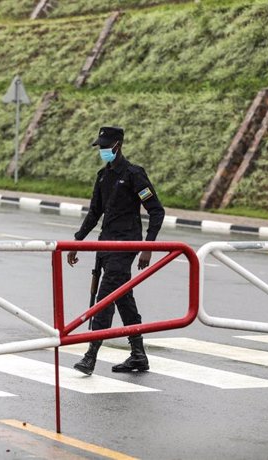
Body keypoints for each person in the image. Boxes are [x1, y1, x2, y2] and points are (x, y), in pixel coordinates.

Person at [67, 126, 165, 375]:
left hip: (126, 246)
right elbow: (94, 213)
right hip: (106, 246)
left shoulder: (134, 174)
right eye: (99, 146)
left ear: (117, 145)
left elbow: (156, 210)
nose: (102, 150)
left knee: (105, 299)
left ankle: (91, 356)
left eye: (105, 146)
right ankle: (138, 355)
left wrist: (147, 246)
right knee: (123, 298)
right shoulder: (103, 176)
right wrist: (77, 241)